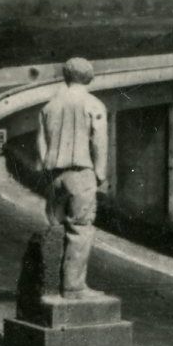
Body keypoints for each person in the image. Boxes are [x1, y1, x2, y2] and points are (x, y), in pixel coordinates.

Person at [36, 57, 109, 298]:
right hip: (80, 172)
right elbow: (99, 141)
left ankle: (49, 285)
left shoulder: (49, 106)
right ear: (88, 77)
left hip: (54, 175)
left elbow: (41, 142)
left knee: (55, 227)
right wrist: (99, 171)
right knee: (80, 228)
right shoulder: (93, 104)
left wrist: (47, 168)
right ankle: (73, 287)